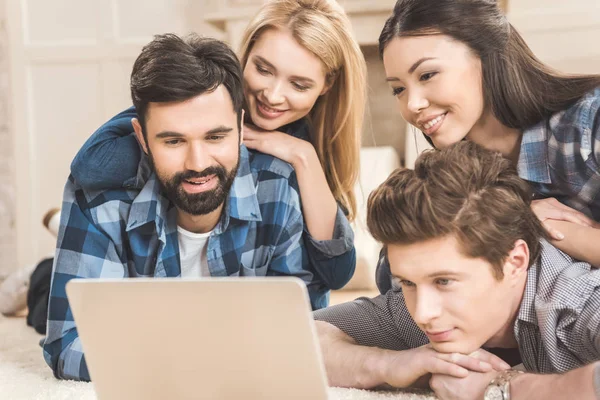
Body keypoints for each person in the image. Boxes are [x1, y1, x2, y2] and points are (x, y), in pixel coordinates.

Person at [44, 33, 321, 381]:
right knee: (42, 298)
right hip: (102, 255)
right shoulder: (99, 200)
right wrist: (198, 365)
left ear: (240, 126)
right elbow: (67, 343)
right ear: (142, 137)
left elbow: (306, 331)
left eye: (215, 137)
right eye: (174, 141)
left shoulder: (277, 188)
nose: (198, 163)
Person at [69, 0, 367, 294]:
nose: (273, 96)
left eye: (299, 85)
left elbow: (336, 272)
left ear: (327, 85)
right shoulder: (192, 103)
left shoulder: (304, 142)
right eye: (263, 69)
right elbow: (89, 167)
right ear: (246, 55)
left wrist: (304, 157)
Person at [314, 141, 600, 400]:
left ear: (514, 262)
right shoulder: (412, 307)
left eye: (444, 281)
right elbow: (296, 337)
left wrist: (501, 388)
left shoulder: (577, 299)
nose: (423, 314)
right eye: (408, 282)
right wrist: (388, 365)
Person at [377, 0, 600, 286]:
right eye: (398, 89)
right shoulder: (456, 174)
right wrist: (521, 216)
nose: (413, 104)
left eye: (428, 75)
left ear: (487, 56)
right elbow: (394, 278)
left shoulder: (589, 123)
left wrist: (562, 233)